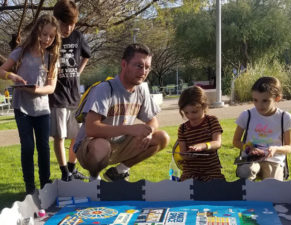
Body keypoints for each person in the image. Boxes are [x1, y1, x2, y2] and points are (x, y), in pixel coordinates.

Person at [73, 43, 170, 181]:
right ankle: (94, 179)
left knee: (161, 137)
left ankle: (119, 171)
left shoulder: (141, 89)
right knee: (102, 145)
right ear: (124, 64)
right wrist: (129, 129)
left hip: (118, 145)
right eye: (139, 66)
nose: (143, 72)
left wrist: (149, 133)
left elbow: (153, 120)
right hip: (90, 147)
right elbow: (91, 129)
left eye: (147, 67)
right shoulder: (105, 89)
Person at [0, 14, 61, 194]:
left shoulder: (52, 57)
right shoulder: (20, 52)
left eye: (51, 36)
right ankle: (30, 189)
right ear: (36, 32)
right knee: (27, 147)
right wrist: (11, 76)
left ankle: (45, 186)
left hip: (42, 111)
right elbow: (2, 70)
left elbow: (51, 87)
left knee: (43, 148)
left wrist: (35, 90)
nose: (46, 39)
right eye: (43, 34)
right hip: (22, 108)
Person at [49, 0, 91, 181]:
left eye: (72, 24)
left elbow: (86, 56)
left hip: (74, 96)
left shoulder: (78, 37)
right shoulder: (50, 38)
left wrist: (78, 73)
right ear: (56, 20)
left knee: (77, 135)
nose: (68, 28)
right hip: (56, 96)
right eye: (65, 24)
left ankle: (73, 168)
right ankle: (64, 171)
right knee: (60, 136)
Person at [233, 76, 291, 181]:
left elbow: (289, 147)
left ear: (277, 98)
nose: (259, 105)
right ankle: (248, 196)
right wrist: (249, 149)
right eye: (255, 100)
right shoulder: (246, 115)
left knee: (272, 185)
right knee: (246, 172)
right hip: (250, 158)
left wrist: (275, 149)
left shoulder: (285, 117)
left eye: (265, 101)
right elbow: (236, 141)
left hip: (274, 159)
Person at [177, 86, 224, 182]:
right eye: (186, 113)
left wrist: (203, 146)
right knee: (185, 192)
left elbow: (217, 143)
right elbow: (183, 153)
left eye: (194, 112)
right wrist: (188, 155)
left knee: (217, 191)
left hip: (211, 170)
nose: (190, 116)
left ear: (204, 106)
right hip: (190, 172)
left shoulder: (212, 121)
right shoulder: (182, 129)